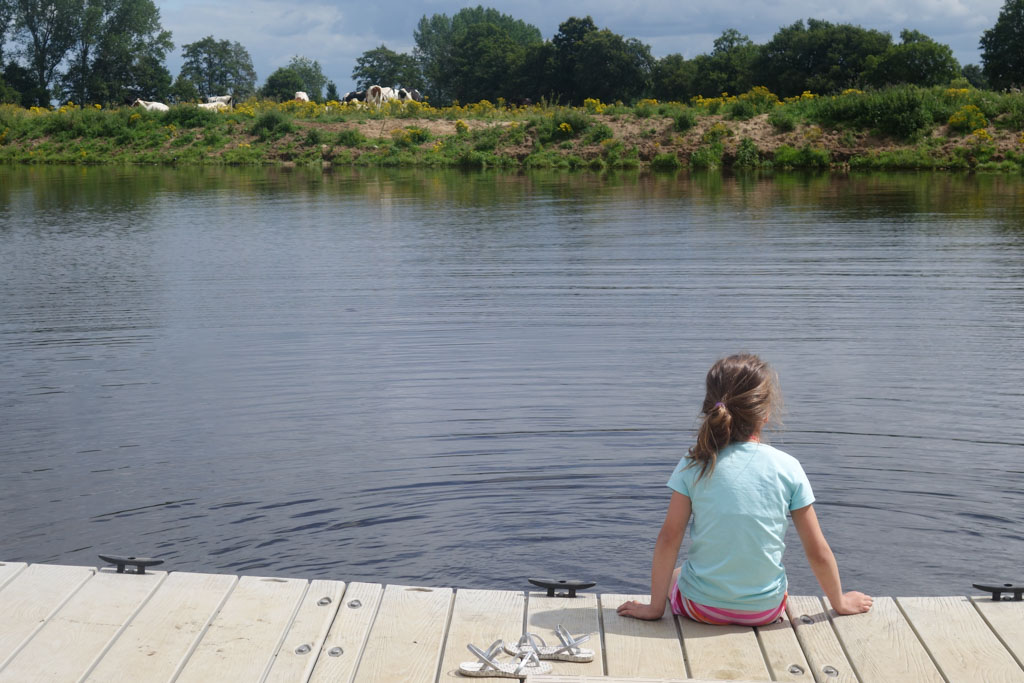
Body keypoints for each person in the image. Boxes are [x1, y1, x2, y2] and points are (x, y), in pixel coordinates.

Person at [617, 353, 872, 626]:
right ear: (764, 413)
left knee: (680, 574)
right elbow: (817, 550)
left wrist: (655, 607)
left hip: (701, 609)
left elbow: (669, 537)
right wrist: (840, 602)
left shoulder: (695, 464)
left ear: (710, 407)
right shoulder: (788, 467)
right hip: (764, 612)